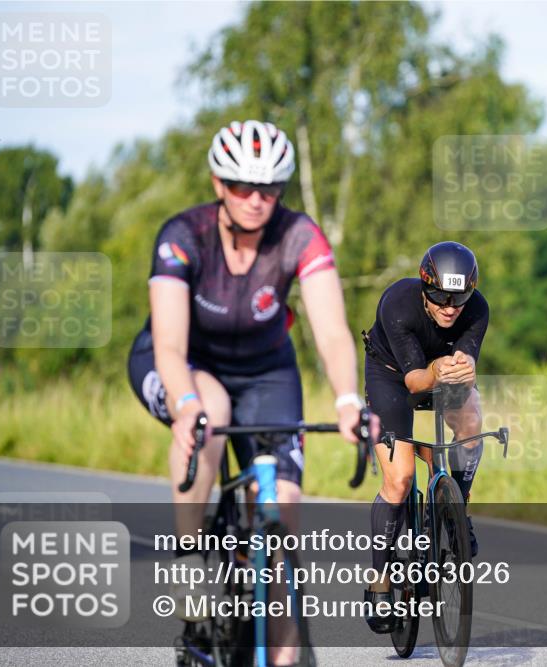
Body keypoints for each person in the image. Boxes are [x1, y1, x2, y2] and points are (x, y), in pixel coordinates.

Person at [126, 119, 373, 664]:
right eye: (242, 188)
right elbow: (168, 344)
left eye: (269, 189)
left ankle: (281, 652)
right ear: (219, 184)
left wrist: (348, 399)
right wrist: (185, 404)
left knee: (281, 511)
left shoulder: (298, 236)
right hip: (186, 359)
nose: (256, 200)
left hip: (265, 370)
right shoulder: (182, 236)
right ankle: (191, 583)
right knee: (207, 415)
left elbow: (331, 331)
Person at [360, 241, 489, 633]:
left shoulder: (478, 309)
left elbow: (466, 363)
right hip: (392, 376)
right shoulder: (397, 303)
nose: (450, 307)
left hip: (441, 373)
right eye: (440, 296)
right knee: (398, 481)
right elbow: (416, 380)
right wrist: (438, 370)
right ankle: (380, 581)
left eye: (459, 298)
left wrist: (464, 369)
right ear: (423, 286)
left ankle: (456, 510)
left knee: (471, 416)